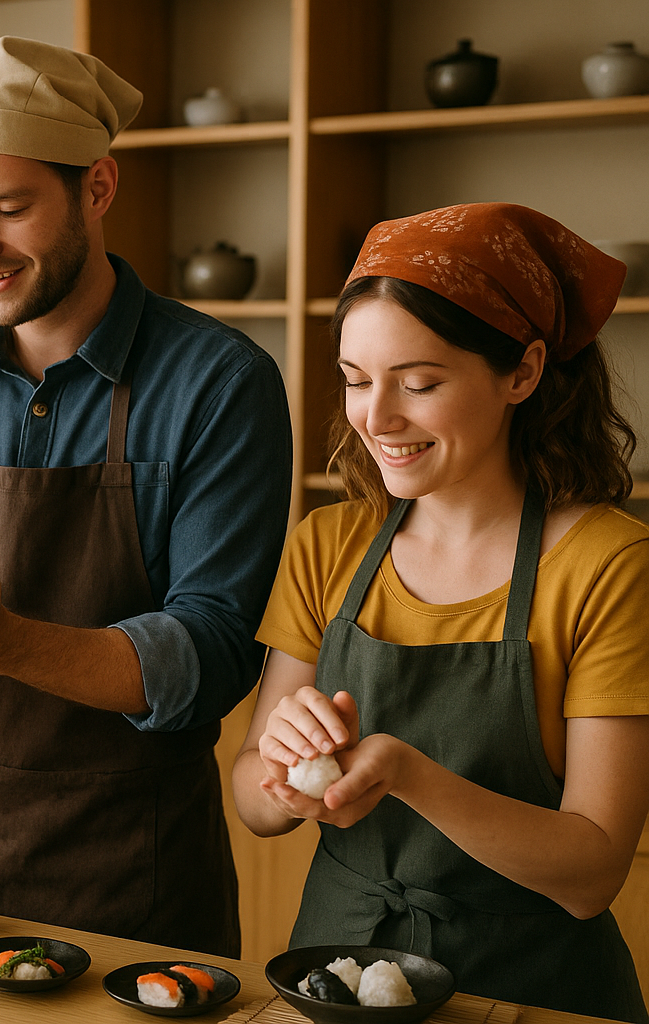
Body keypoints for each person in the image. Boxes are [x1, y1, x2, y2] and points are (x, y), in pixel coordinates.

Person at [0, 37, 293, 953]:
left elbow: (211, 649)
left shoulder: (219, 383)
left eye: (9, 208)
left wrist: (5, 645)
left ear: (98, 189)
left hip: (135, 875)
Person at [232, 203, 649, 1023]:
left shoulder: (608, 565)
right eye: (356, 380)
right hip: (337, 974)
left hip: (534, 991)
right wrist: (284, 777)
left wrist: (409, 774)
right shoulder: (328, 544)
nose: (376, 419)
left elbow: (594, 868)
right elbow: (249, 798)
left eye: (419, 384)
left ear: (521, 373)